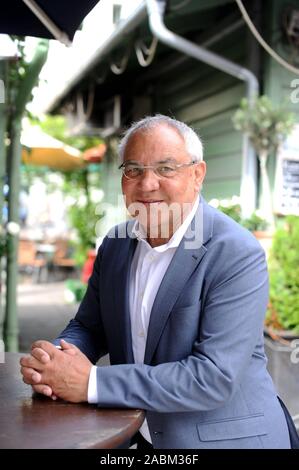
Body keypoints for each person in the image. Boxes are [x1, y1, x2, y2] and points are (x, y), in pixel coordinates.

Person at [20, 115, 291, 449]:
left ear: (197, 175)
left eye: (166, 169)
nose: (147, 184)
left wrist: (91, 382)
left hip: (222, 440)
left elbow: (212, 378)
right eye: (133, 169)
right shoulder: (116, 243)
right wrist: (56, 362)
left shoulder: (235, 252)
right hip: (141, 434)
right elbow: (89, 326)